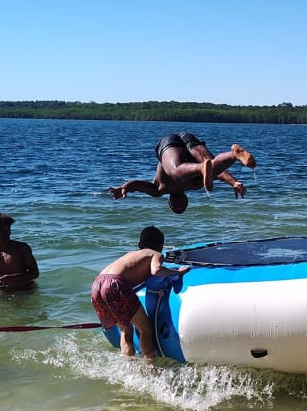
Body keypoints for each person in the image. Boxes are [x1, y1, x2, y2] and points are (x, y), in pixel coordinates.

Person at [90, 225, 191, 362]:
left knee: (126, 329)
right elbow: (156, 270)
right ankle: (149, 366)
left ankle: (127, 364)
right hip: (115, 284)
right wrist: (177, 272)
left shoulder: (131, 255)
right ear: (161, 245)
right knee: (145, 329)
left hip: (97, 284)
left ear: (140, 245)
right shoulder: (154, 254)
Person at [108, 132, 257, 214]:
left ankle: (201, 167)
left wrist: (125, 187)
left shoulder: (160, 189)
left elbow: (137, 185)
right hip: (188, 139)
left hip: (169, 144)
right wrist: (234, 182)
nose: (179, 206)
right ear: (186, 201)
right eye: (182, 208)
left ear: (169, 202)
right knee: (211, 169)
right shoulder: (194, 185)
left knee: (175, 172)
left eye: (176, 207)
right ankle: (234, 154)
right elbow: (217, 173)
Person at [0, 212, 40, 291]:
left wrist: (14, 278)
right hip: (3, 293)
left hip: (26, 290)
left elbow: (35, 273)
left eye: (8, 229)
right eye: (2, 230)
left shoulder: (21, 248)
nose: (6, 232)